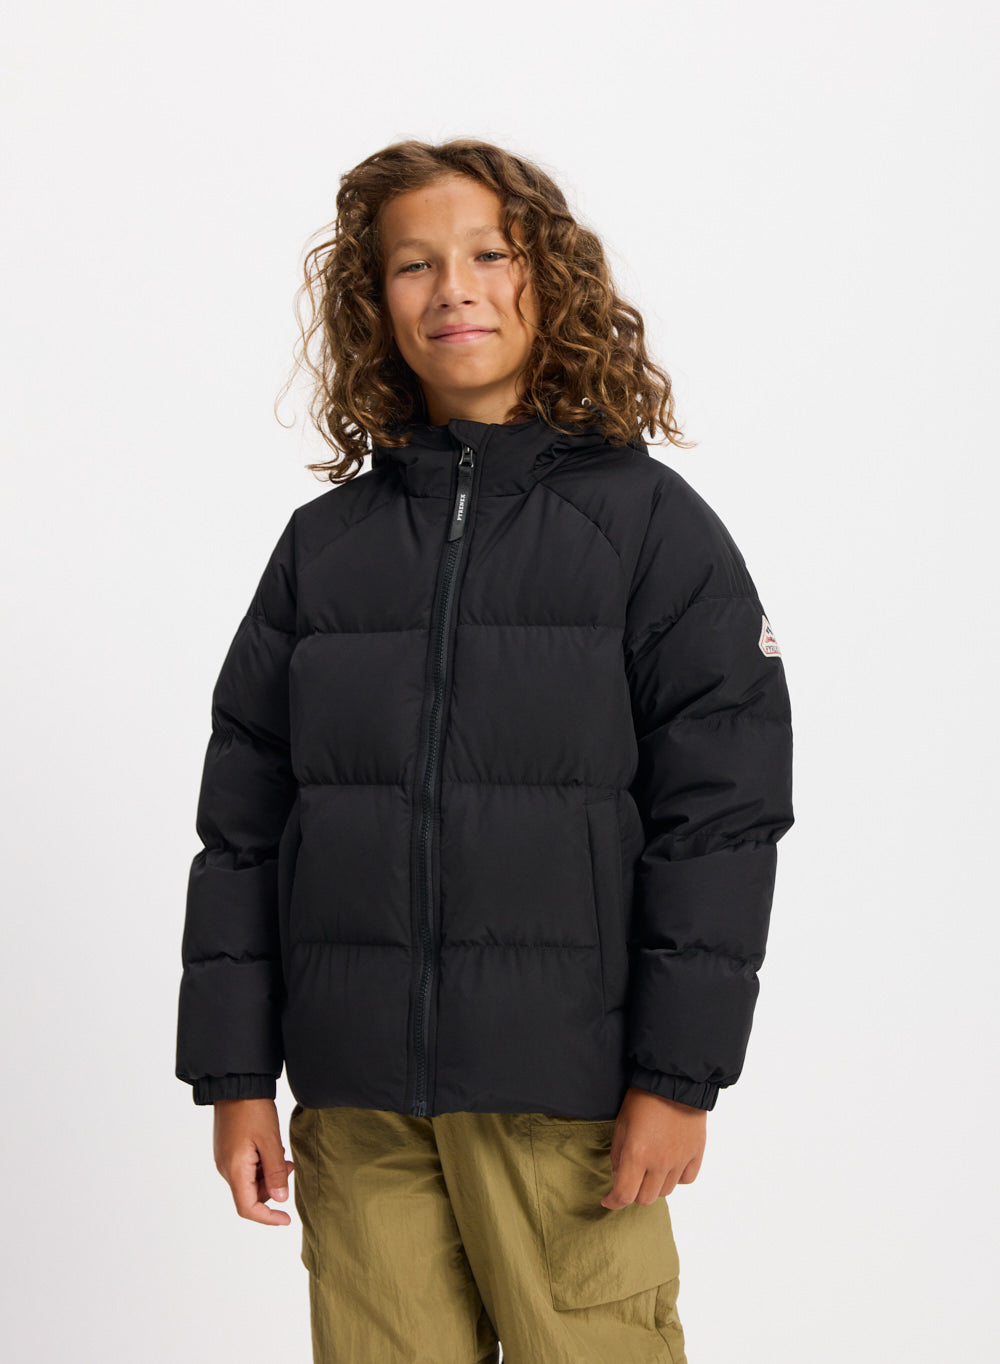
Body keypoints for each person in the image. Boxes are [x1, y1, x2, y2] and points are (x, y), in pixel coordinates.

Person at [175, 137, 795, 1363]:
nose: (452, 288)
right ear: (376, 304)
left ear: (548, 279)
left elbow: (721, 819)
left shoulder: (650, 529)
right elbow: (242, 828)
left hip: (566, 1098)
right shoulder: (322, 549)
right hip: (359, 1102)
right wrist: (235, 1073)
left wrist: (677, 1075)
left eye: (489, 254)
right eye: (413, 264)